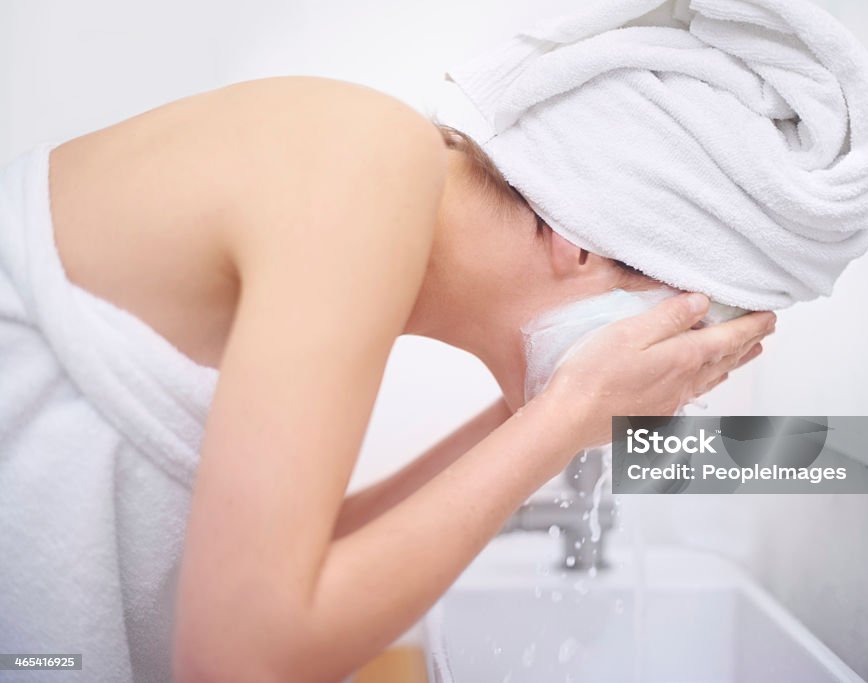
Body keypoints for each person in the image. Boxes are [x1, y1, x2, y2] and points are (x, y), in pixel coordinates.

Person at [0, 77, 773, 681]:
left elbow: (299, 571)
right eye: (681, 330)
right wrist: (571, 409)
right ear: (583, 241)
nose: (669, 374)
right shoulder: (371, 155)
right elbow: (245, 657)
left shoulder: (370, 190)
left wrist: (546, 413)